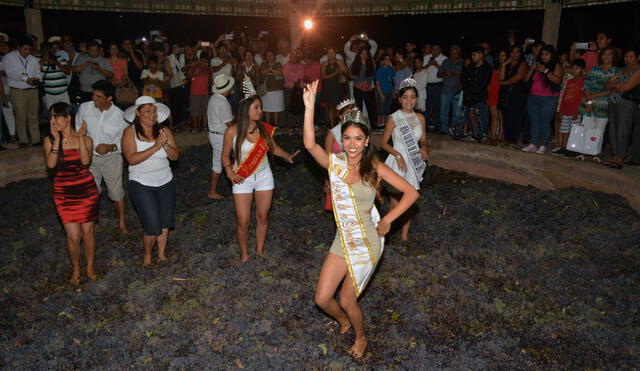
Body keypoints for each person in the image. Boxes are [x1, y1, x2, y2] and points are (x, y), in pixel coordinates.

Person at [302, 79, 418, 359]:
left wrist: (389, 219)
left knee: (346, 298)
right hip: (343, 239)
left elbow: (411, 193)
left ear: (367, 141)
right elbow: (309, 144)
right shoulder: (336, 164)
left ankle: (361, 336)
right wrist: (309, 107)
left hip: (367, 242)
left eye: (358, 138)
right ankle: (343, 321)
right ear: (342, 140)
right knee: (321, 299)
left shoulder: (375, 166)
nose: (352, 144)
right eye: (347, 138)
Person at [221, 77, 300, 262]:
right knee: (243, 221)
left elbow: (274, 148)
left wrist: (287, 156)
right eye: (256, 107)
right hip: (242, 178)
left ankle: (260, 249)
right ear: (245, 109)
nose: (260, 110)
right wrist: (229, 171)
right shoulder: (232, 131)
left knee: (263, 216)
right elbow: (225, 156)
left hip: (264, 176)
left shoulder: (264, 129)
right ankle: (244, 253)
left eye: (260, 107)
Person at [44, 102, 98, 286]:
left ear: (67, 118)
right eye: (50, 117)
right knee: (73, 237)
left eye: (56, 116)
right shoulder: (49, 141)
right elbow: (51, 165)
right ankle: (76, 268)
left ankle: (90, 267)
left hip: (86, 190)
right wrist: (57, 140)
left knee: (88, 232)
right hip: (63, 193)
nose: (52, 121)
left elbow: (85, 162)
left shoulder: (87, 139)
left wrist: (81, 138)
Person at [122, 96, 179, 266]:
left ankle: (161, 255)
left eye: (154, 111)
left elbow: (175, 156)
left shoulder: (164, 131)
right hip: (141, 183)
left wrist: (165, 144)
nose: (152, 114)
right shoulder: (130, 132)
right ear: (138, 113)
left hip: (165, 181)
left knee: (165, 222)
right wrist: (155, 146)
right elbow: (131, 159)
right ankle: (147, 255)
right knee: (152, 225)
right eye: (148, 111)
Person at [76, 80, 129, 233]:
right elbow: (78, 129)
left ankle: (121, 222)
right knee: (91, 192)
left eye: (99, 96)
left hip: (111, 159)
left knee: (116, 192)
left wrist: (110, 147)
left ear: (109, 98)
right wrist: (83, 140)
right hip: (89, 158)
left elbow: (124, 142)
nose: (94, 99)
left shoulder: (120, 116)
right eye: (93, 95)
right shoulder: (85, 108)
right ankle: (93, 221)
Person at [380, 77, 428, 241]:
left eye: (412, 97)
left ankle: (404, 235)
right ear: (400, 99)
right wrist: (397, 154)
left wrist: (424, 148)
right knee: (396, 204)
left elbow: (423, 140)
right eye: (405, 97)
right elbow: (383, 143)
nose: (409, 101)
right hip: (397, 163)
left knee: (409, 203)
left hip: (413, 163)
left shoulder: (420, 118)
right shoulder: (394, 118)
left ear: (416, 99)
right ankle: (384, 230)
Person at [522, 45, 563, 154]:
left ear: (551, 55)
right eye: (542, 54)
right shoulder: (537, 64)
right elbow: (525, 80)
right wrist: (531, 70)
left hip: (548, 99)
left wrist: (545, 71)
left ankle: (544, 145)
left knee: (545, 122)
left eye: (547, 54)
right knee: (534, 121)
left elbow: (557, 80)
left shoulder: (556, 65)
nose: (544, 56)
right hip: (532, 97)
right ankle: (533, 144)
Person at [603, 48, 640, 169]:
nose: (628, 60)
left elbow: (624, 88)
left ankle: (620, 157)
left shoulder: (638, 70)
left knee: (622, 130)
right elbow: (607, 84)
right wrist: (616, 86)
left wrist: (615, 86)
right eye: (626, 57)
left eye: (631, 57)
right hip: (613, 101)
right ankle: (615, 155)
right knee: (612, 129)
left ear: (637, 57)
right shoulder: (622, 70)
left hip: (627, 103)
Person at [3, 36, 43, 146]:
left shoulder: (33, 59)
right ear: (18, 47)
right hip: (18, 91)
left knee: (33, 115)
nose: (27, 52)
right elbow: (10, 72)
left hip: (32, 91)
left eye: (29, 49)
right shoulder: (9, 57)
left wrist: (37, 79)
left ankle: (36, 139)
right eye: (24, 49)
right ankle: (23, 140)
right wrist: (26, 79)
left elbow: (39, 73)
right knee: (20, 116)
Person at [207, 74, 235, 199]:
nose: (231, 89)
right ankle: (212, 192)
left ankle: (237, 180)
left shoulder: (213, 98)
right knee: (218, 164)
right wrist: (238, 118)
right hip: (220, 137)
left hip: (215, 134)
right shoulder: (223, 103)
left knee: (229, 158)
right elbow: (229, 123)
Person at [552, 59, 585, 157]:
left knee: (574, 131)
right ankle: (564, 148)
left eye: (577, 68)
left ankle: (573, 149)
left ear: (582, 70)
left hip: (575, 112)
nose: (574, 70)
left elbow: (582, 98)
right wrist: (561, 110)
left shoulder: (583, 81)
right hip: (566, 111)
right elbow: (564, 96)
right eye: (573, 68)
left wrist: (578, 110)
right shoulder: (569, 81)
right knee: (564, 130)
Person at [498, 44, 529, 146]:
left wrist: (504, 83)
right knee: (505, 117)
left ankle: (513, 139)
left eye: (517, 52)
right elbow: (500, 78)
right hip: (505, 94)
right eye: (512, 52)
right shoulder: (506, 63)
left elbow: (518, 77)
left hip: (517, 94)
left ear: (520, 53)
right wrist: (503, 65)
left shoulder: (523, 63)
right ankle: (507, 138)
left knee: (515, 117)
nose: (514, 54)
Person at [461, 45, 493, 141]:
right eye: (472, 55)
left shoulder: (487, 68)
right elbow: (464, 80)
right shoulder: (470, 66)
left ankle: (481, 135)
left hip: (479, 96)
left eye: (475, 55)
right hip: (469, 95)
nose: (472, 57)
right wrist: (467, 93)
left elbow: (484, 83)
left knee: (480, 117)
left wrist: (473, 94)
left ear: (481, 55)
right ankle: (475, 134)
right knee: (470, 116)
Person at [438, 45, 463, 137]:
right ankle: (444, 129)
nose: (453, 54)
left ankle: (453, 129)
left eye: (455, 52)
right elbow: (439, 74)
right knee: (443, 110)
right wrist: (445, 73)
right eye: (452, 52)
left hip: (457, 91)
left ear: (459, 53)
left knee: (457, 112)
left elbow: (465, 76)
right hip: (445, 90)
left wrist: (452, 74)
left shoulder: (462, 62)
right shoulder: (446, 61)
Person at [40, 41, 71, 108]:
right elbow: (36, 73)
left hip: (63, 93)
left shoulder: (60, 58)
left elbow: (68, 72)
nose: (49, 53)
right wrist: (43, 60)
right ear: (42, 51)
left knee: (65, 113)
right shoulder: (39, 60)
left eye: (50, 50)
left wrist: (57, 63)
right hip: (49, 95)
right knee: (53, 115)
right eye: (46, 51)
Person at [350, 47, 377, 127]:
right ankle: (359, 125)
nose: (364, 55)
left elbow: (373, 75)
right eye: (362, 54)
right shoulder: (356, 63)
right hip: (357, 88)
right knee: (359, 108)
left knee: (370, 108)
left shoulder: (370, 63)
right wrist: (359, 80)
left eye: (366, 54)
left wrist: (366, 81)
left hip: (367, 88)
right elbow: (352, 76)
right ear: (359, 55)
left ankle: (373, 126)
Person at [423, 42, 447, 130]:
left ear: (440, 50)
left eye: (437, 49)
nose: (434, 51)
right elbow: (421, 70)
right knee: (427, 107)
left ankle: (438, 126)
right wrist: (429, 64)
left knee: (438, 106)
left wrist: (436, 64)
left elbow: (445, 72)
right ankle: (425, 126)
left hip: (438, 85)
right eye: (433, 49)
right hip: (427, 85)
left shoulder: (444, 58)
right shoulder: (426, 57)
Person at [322, 47, 348, 127]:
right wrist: (334, 74)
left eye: (332, 52)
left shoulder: (340, 62)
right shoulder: (324, 64)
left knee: (338, 107)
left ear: (335, 54)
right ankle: (332, 125)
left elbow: (345, 74)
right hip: (328, 87)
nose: (331, 54)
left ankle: (337, 125)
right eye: (329, 53)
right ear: (327, 54)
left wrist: (343, 72)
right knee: (330, 107)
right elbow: (323, 76)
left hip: (337, 86)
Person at [258, 50, 285, 126]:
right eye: (268, 55)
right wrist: (273, 72)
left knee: (276, 108)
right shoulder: (263, 64)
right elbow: (262, 72)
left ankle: (276, 124)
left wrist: (269, 70)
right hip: (266, 90)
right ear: (265, 57)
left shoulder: (278, 64)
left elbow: (279, 72)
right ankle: (267, 124)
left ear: (274, 56)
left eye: (271, 55)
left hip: (277, 90)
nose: (269, 57)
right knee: (267, 109)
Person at [186, 52, 211, 132]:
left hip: (205, 92)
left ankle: (204, 127)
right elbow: (187, 76)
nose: (204, 63)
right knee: (194, 112)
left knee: (205, 111)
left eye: (206, 62)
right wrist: (194, 74)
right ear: (199, 60)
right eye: (203, 61)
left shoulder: (208, 69)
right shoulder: (194, 67)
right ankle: (195, 127)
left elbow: (211, 80)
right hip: (195, 92)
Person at [375, 54, 395, 126]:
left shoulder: (391, 69)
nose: (388, 61)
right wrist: (381, 94)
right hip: (382, 92)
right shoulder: (380, 70)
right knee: (381, 109)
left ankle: (385, 125)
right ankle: (380, 124)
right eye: (386, 59)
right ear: (383, 61)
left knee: (387, 109)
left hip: (389, 91)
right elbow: (377, 83)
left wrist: (394, 91)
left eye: (389, 59)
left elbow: (393, 81)